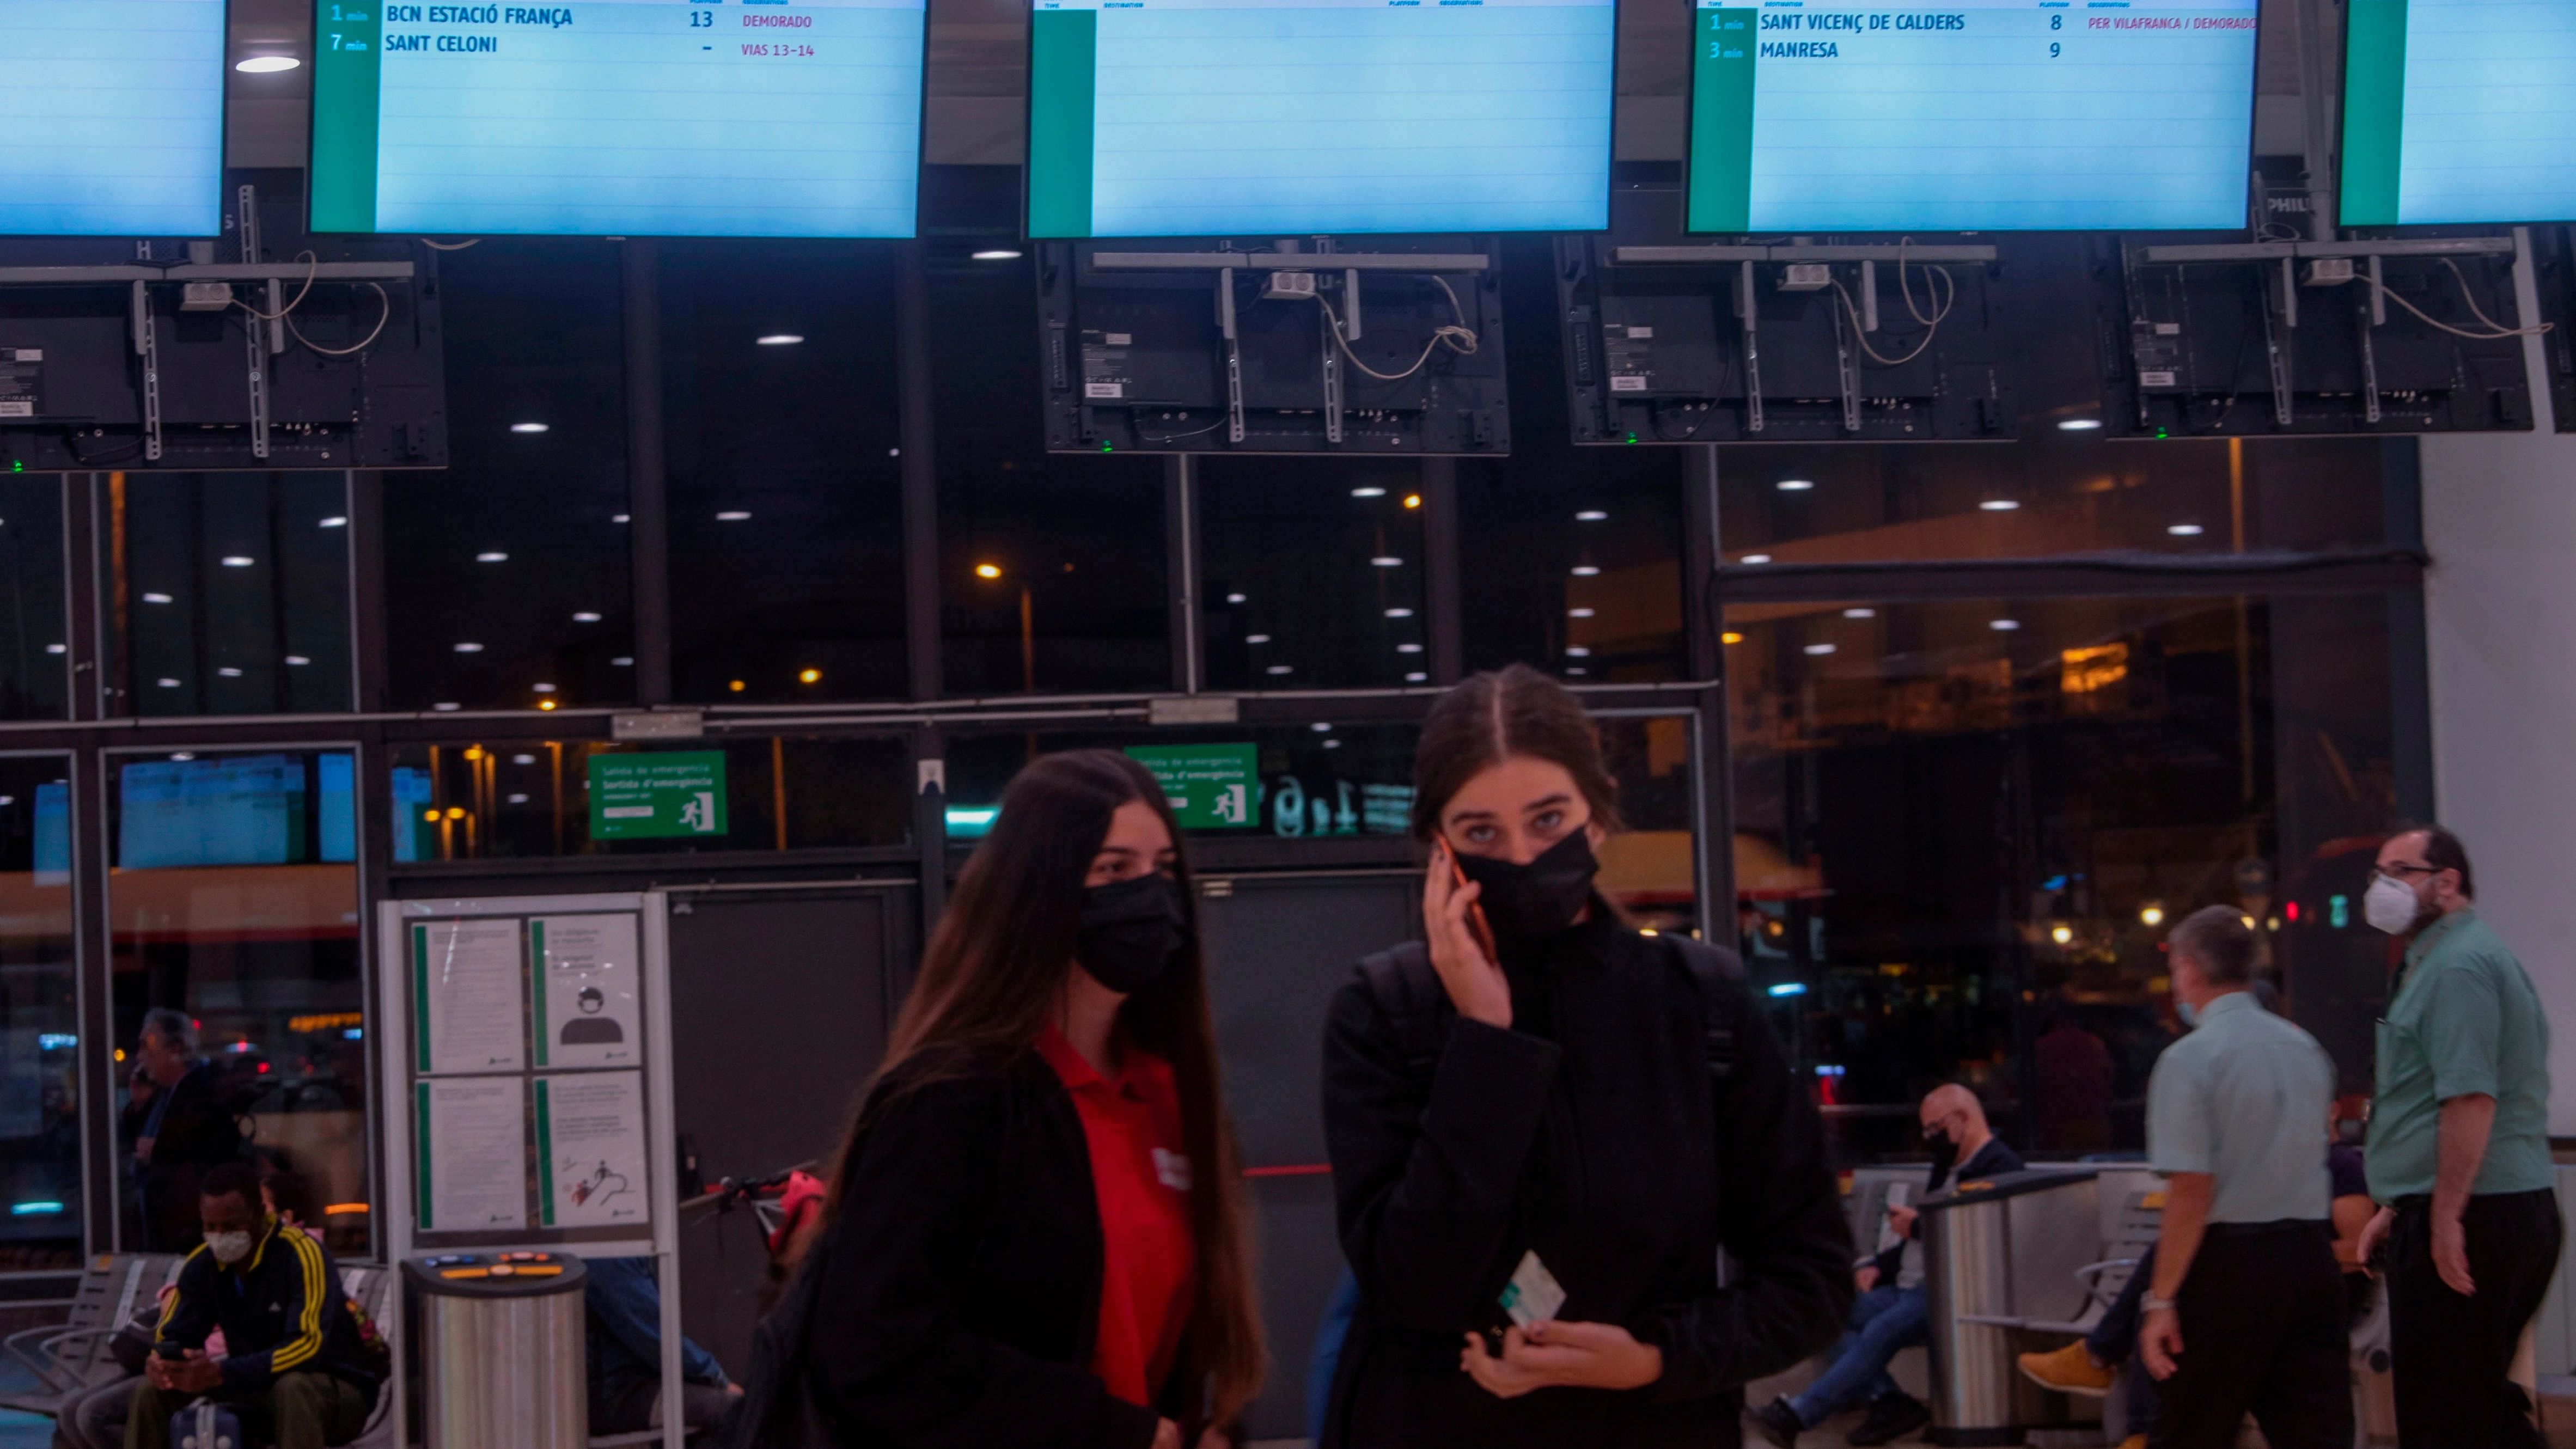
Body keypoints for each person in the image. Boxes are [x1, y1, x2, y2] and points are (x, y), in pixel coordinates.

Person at [1321, 664, 1851, 1449]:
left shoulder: (1699, 1002)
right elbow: (1413, 1288)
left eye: (1547, 819)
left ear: (1596, 813)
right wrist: (1486, 1047)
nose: (1523, 854)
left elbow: (1810, 1277)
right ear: (1438, 845)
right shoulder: (1383, 1013)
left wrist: (1655, 1359)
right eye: (1480, 833)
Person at [769, 749, 1261, 1449]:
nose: (1149, 896)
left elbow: (1198, 1334)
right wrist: (1117, 1432)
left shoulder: (1168, 1094)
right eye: (1113, 869)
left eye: (1165, 871)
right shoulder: (955, 1100)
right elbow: (877, 1355)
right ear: (1039, 890)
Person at [2354, 825, 2559, 1448]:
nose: (2381, 887)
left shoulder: (2459, 968)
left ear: (2446, 883)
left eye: (2398, 871)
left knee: (2447, 1421)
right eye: (2376, 874)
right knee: (2478, 1411)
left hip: (2476, 1215)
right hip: (2482, 1206)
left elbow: (2469, 1098)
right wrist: (2401, 1202)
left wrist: (2443, 1215)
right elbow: (2422, 1100)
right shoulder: (2438, 961)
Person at [2130, 907, 2347, 1449]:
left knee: (2189, 1431)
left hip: (2230, 1265)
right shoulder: (2306, 1050)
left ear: (2186, 970)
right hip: (2310, 1257)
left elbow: (2190, 1190)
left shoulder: (2188, 1060)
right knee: (2314, 1434)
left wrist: (2160, 1301)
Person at [1751, 1085, 2021, 1447]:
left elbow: (1974, 1233)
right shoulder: (1946, 1164)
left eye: (1935, 1127)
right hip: (1906, 1282)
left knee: (1881, 1328)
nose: (1930, 1138)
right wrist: (1878, 1264)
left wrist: (1920, 1226)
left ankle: (1799, 1414)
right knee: (1833, 1315)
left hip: (1949, 1286)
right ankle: (1889, 1400)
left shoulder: (2002, 1167)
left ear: (1963, 1119)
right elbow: (1916, 1238)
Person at [126, 1162, 381, 1449]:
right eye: (211, 1227)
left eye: (232, 1226)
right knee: (151, 1393)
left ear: (260, 1214)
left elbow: (306, 1347)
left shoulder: (301, 1254)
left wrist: (222, 1373)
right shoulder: (202, 1264)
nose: (221, 1236)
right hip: (249, 1386)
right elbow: (174, 1335)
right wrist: (166, 1364)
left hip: (333, 1391)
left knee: (292, 1387)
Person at [119, 1010, 240, 1252]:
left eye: (147, 1046)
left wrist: (159, 1147)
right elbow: (136, 1144)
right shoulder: (161, 1094)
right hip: (162, 1223)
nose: (140, 1057)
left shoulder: (206, 1090)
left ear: (175, 1049)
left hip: (189, 1225)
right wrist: (139, 1106)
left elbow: (206, 1144)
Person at [585, 1257, 742, 1437]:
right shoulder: (609, 1256)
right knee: (738, 1412)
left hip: (626, 1383)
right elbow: (654, 1336)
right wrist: (717, 1378)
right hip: (616, 1393)